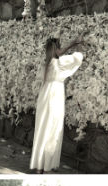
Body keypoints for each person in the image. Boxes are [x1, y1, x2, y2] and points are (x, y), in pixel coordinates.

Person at [30, 35, 86, 173]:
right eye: (59, 47)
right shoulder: (59, 62)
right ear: (56, 49)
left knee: (42, 127)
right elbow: (77, 58)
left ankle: (39, 165)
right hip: (55, 95)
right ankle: (47, 164)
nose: (61, 49)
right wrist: (77, 44)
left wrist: (70, 44)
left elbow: (59, 53)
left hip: (44, 94)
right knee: (53, 128)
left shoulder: (46, 64)